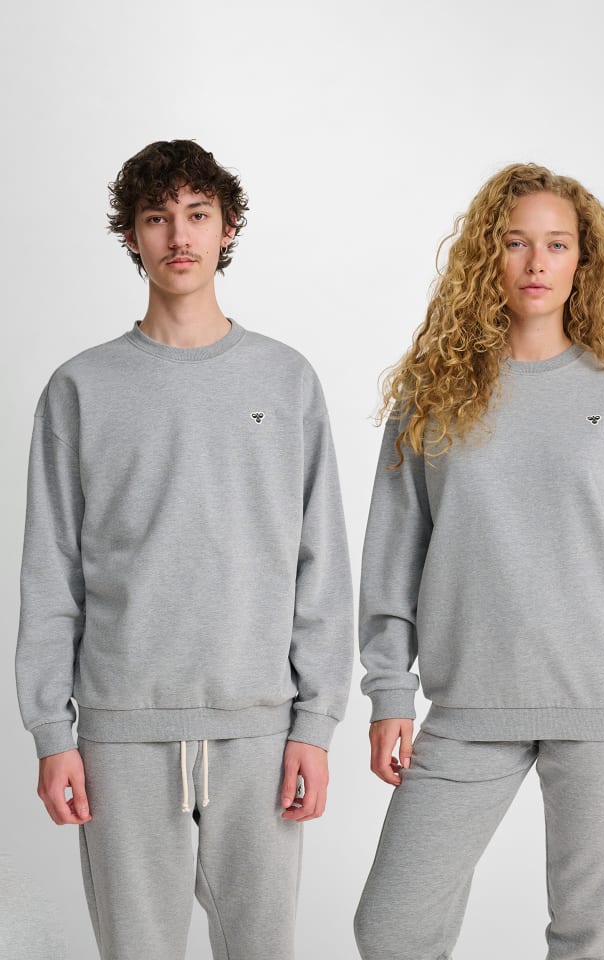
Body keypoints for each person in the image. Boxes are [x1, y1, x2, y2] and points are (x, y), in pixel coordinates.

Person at [354, 163, 604, 960]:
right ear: (488, 257)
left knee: (586, 935)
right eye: (515, 243)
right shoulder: (432, 396)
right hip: (470, 701)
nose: (536, 262)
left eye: (557, 244)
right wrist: (388, 689)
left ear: (584, 260)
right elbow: (394, 556)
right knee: (391, 928)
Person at [16, 139, 353, 960]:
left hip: (259, 729)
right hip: (121, 732)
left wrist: (315, 724)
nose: (179, 235)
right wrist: (53, 733)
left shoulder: (285, 380)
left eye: (198, 214)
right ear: (131, 235)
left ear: (227, 227)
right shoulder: (81, 388)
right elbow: (50, 573)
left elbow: (321, 562)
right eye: (157, 217)